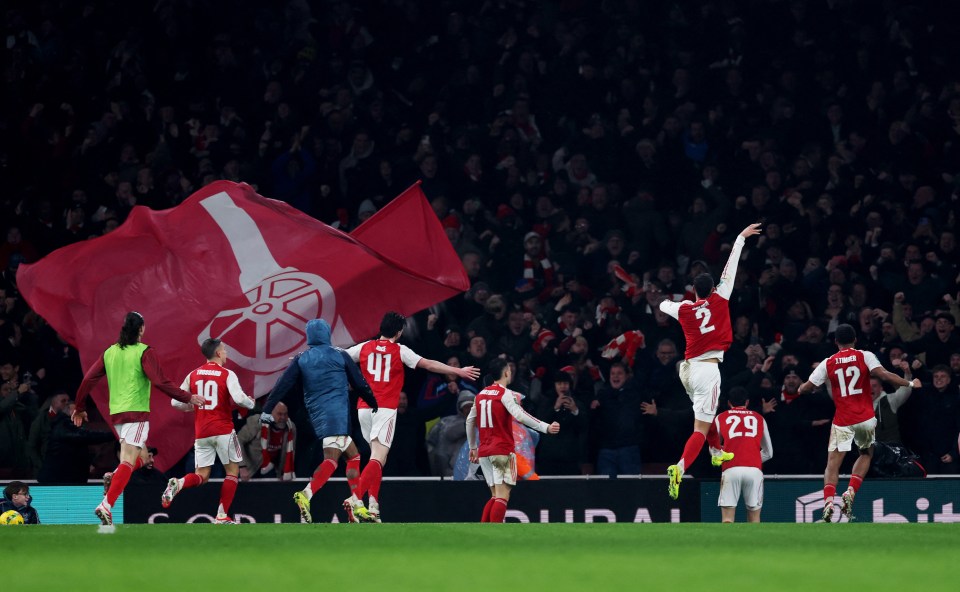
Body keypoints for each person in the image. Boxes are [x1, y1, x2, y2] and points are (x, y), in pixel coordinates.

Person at [344, 311, 480, 522]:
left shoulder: (364, 347)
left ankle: (373, 507)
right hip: (385, 409)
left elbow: (338, 355)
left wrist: (307, 356)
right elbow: (428, 364)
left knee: (376, 458)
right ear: (398, 332)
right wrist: (459, 371)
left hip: (363, 409)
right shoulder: (400, 350)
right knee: (378, 458)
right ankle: (355, 499)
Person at [660, 223, 762, 499]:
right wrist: (740, 237)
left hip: (687, 370)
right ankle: (679, 467)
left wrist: (675, 303)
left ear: (693, 290)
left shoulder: (684, 309)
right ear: (713, 287)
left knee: (706, 414)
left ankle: (717, 452)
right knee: (700, 427)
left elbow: (662, 305)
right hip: (708, 370)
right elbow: (731, 266)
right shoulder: (721, 297)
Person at [72, 311, 203, 526]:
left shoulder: (110, 352)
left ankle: (114, 476)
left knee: (142, 456)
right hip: (137, 413)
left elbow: (88, 379)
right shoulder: (144, 352)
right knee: (129, 460)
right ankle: (107, 504)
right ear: (141, 329)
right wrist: (187, 396)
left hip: (117, 414)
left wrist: (79, 406)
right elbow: (160, 381)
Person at [798, 324, 921, 522]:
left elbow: (807, 388)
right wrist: (909, 383)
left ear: (836, 342)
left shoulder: (828, 362)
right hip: (864, 418)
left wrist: (800, 389)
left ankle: (829, 502)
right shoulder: (865, 355)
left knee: (832, 463)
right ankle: (850, 492)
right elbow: (884, 375)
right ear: (855, 340)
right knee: (866, 454)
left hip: (842, 420)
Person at [260, 318, 378, 524]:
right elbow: (359, 383)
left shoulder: (301, 358)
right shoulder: (340, 355)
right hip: (337, 413)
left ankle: (358, 503)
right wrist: (373, 402)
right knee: (332, 460)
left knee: (353, 455)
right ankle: (306, 494)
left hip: (318, 414)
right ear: (327, 333)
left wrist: (268, 408)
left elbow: (283, 383)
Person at [162, 338, 255, 524]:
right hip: (223, 430)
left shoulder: (193, 374)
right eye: (225, 350)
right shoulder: (227, 374)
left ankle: (179, 483)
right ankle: (221, 515)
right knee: (232, 472)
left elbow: (175, 402)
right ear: (219, 353)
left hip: (202, 432)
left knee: (202, 476)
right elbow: (239, 398)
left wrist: (191, 407)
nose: (226, 353)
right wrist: (251, 403)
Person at [465, 357, 559, 523]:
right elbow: (520, 415)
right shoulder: (505, 394)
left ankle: (482, 533)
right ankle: (495, 536)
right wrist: (546, 427)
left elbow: (469, 421)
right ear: (506, 372)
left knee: (495, 495)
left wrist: (473, 447)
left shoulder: (480, 395)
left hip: (484, 452)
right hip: (501, 450)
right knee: (503, 496)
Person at [713, 387, 773, 523]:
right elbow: (769, 452)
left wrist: (722, 456)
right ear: (747, 402)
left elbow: (714, 449)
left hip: (730, 469)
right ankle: (753, 544)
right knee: (754, 519)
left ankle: (728, 544)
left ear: (729, 403)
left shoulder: (721, 417)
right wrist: (753, 458)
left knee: (727, 519)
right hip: (754, 470)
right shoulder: (759, 418)